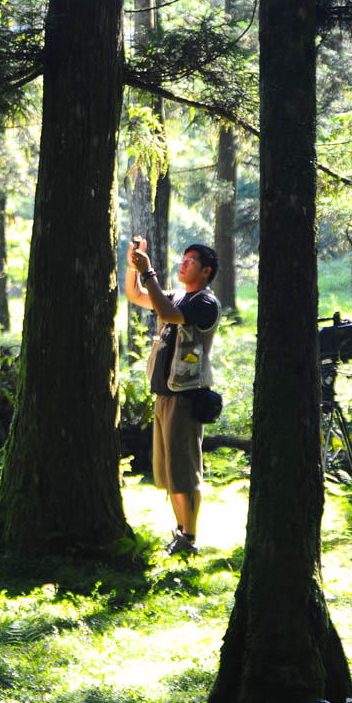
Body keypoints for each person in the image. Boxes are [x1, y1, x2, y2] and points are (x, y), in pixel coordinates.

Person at [126, 237, 221, 555]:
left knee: (184, 470)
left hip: (186, 397)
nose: (183, 263)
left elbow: (168, 314)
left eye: (191, 261)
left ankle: (189, 538)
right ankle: (181, 532)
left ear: (206, 271)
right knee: (168, 471)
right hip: (165, 394)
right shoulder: (178, 296)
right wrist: (133, 266)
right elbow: (135, 294)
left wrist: (149, 271)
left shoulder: (203, 303)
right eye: (183, 258)